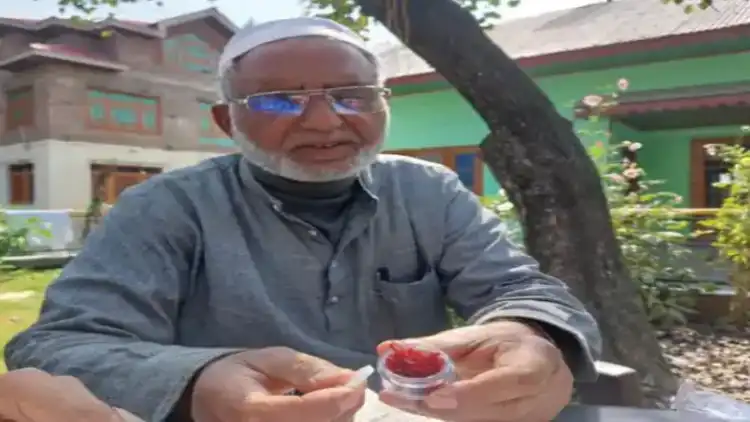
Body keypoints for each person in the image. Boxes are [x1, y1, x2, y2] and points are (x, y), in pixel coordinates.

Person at [4, 16, 602, 422]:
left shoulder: (429, 190)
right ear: (224, 122)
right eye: (276, 101)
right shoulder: (165, 207)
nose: (323, 122)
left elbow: (518, 288)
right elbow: (55, 345)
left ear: (382, 105)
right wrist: (199, 381)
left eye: (352, 95)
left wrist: (533, 335)